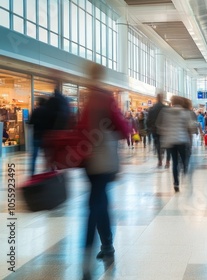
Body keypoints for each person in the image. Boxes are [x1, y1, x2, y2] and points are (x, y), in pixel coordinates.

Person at [79, 63, 131, 280]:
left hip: (91, 159)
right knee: (99, 203)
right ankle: (105, 245)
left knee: (95, 204)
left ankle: (90, 251)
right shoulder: (104, 97)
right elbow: (122, 128)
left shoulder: (88, 97)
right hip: (104, 160)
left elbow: (81, 129)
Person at [156, 96, 193, 192]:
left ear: (172, 103)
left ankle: (176, 183)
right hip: (182, 140)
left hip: (170, 140)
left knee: (175, 162)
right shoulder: (185, 113)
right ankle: (185, 170)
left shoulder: (165, 112)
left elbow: (160, 125)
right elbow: (189, 126)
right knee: (184, 159)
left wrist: (164, 133)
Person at [28, 98, 50, 176]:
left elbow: (30, 123)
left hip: (36, 135)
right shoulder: (48, 112)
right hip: (45, 136)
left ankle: (32, 172)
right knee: (47, 156)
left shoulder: (35, 111)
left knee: (34, 156)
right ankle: (48, 171)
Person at [147, 93, 167, 167]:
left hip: (155, 129)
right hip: (164, 129)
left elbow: (148, 120)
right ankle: (162, 151)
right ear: (162, 98)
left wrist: (149, 128)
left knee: (157, 143)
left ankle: (160, 160)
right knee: (163, 143)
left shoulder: (152, 108)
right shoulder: (165, 107)